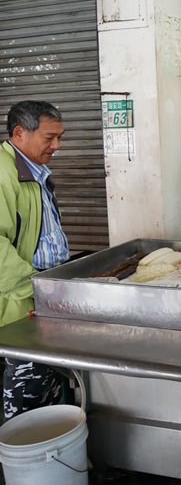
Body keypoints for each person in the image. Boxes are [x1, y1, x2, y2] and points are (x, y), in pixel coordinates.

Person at [1, 101, 69, 419]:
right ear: (19, 133)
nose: (56, 145)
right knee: (26, 394)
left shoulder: (32, 170)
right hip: (19, 302)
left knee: (50, 384)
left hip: (41, 296)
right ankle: (23, 459)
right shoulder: (4, 175)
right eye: (49, 137)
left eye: (59, 137)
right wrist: (34, 287)